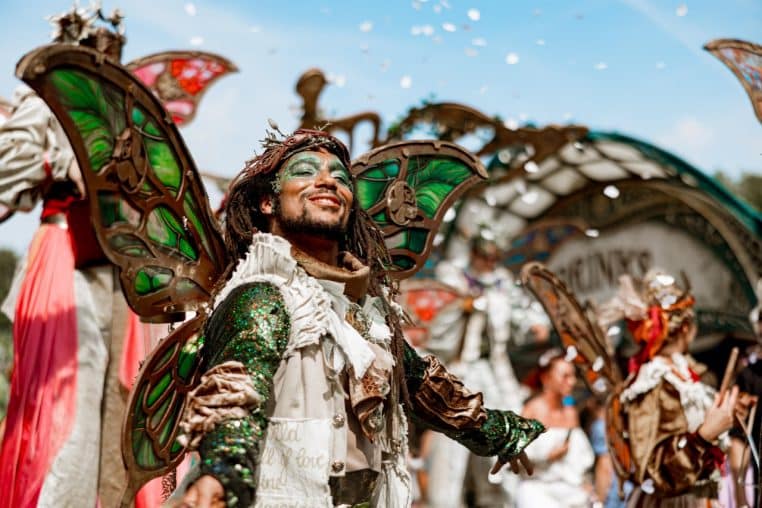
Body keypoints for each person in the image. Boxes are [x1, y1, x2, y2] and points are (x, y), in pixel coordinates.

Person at [175, 129, 546, 507]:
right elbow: (234, 395)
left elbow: (420, 386)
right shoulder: (266, 295)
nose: (327, 182)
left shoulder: (368, 311)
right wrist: (220, 474)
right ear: (268, 202)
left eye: (340, 177)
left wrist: (501, 432)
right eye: (305, 171)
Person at [0, 7, 167, 507]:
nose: (106, 49)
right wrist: (64, 164)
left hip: (123, 267)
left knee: (124, 400)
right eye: (96, 39)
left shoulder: (131, 112)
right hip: (63, 254)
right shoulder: (42, 100)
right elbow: (9, 166)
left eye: (114, 42)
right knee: (67, 404)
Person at [598, 270, 747, 508]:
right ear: (686, 328)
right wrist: (703, 437)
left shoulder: (683, 373)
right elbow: (650, 472)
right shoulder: (652, 383)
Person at [425, 234, 549, 508]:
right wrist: (462, 305)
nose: (490, 262)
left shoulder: (502, 282)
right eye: (485, 257)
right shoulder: (453, 275)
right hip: (460, 370)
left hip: (495, 372)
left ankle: (496, 499)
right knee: (451, 446)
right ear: (474, 254)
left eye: (494, 257)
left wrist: (534, 324)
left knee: (498, 434)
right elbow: (435, 320)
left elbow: (520, 312)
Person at [516, 349, 595, 508]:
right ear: (546, 378)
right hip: (538, 493)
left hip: (572, 495)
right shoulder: (531, 410)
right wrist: (547, 457)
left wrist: (586, 484)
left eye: (573, 376)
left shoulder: (570, 412)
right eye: (565, 376)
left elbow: (581, 457)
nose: (572, 382)